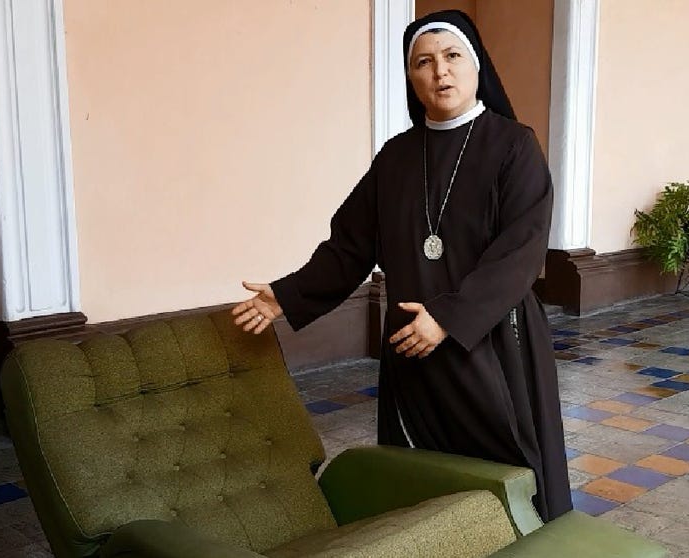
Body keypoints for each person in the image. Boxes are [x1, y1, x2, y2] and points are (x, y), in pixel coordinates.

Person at [230, 9, 571, 522]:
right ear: (411, 78)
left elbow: (520, 252)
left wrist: (448, 317)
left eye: (452, 56)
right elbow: (349, 246)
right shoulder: (396, 157)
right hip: (413, 346)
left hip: (495, 343)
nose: (440, 72)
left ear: (477, 65)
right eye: (423, 62)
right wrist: (288, 294)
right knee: (422, 478)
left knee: (507, 475)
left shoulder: (514, 146)